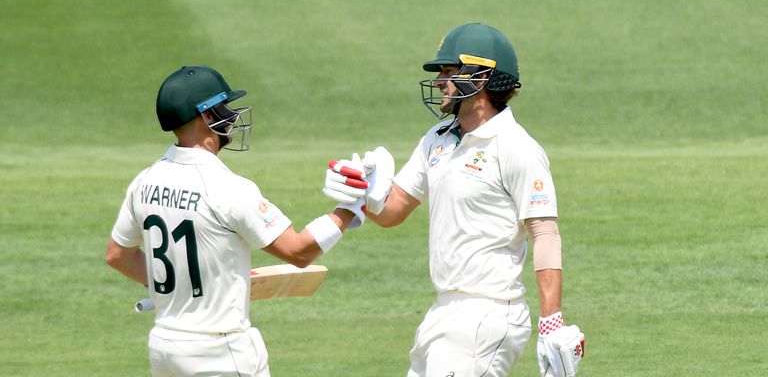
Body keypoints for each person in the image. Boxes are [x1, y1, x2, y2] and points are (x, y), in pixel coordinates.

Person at [324, 23, 585, 376]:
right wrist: (364, 193)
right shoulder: (437, 138)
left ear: (480, 78)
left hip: (489, 312)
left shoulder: (516, 147)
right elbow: (393, 211)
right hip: (442, 312)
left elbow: (545, 234)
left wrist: (551, 319)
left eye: (449, 72)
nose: (439, 81)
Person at [105, 65, 365, 377]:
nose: (231, 116)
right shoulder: (228, 188)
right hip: (218, 353)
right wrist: (350, 208)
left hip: (164, 347)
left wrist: (180, 286)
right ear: (207, 117)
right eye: (223, 108)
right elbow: (299, 251)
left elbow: (117, 256)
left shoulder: (145, 181)